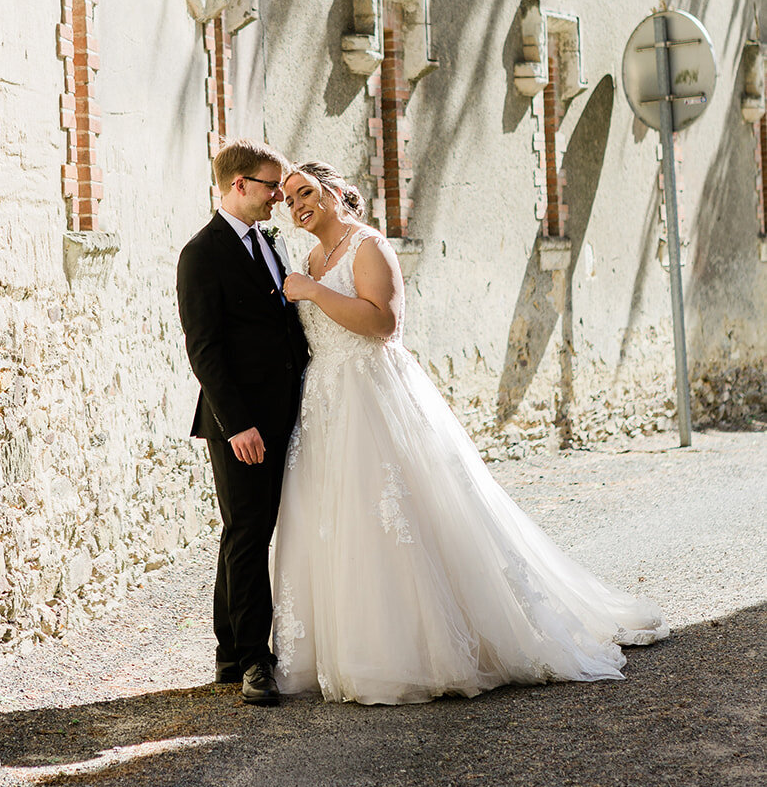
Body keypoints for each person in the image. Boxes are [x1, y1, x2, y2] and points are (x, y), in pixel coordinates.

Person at [273, 160, 668, 705]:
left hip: (375, 395)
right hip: (327, 402)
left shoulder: (367, 248)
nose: (297, 204)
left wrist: (314, 293)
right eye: (289, 198)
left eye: (306, 192)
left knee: (401, 517)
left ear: (339, 193)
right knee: (344, 523)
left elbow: (382, 323)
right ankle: (357, 646)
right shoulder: (311, 258)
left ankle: (425, 649)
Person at [177, 139, 309, 705]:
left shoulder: (267, 242)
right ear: (238, 185)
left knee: (244, 530)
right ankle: (256, 659)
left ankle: (229, 650)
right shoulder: (202, 254)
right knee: (251, 532)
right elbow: (205, 351)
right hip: (241, 423)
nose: (278, 197)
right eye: (270, 186)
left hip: (284, 411)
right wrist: (237, 425)